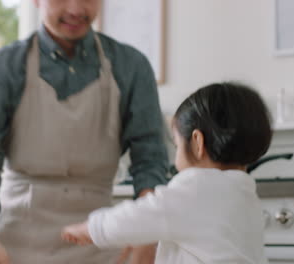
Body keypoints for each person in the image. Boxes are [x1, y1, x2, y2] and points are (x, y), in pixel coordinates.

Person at [0, 0, 168, 263]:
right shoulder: (1, 67)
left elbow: (150, 159)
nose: (76, 10)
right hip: (16, 243)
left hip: (101, 241)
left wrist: (147, 236)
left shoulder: (131, 66)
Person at [62, 82, 274, 264]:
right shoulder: (244, 193)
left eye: (176, 144)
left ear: (198, 142)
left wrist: (92, 228)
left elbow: (141, 214)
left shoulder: (196, 186)